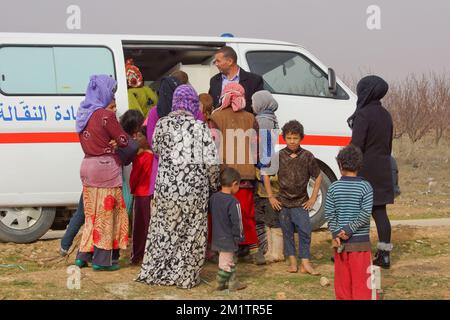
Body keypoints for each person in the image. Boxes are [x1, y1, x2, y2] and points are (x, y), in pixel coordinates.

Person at [137, 85, 219, 289]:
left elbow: (155, 149)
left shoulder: (162, 124)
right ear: (192, 103)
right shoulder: (200, 127)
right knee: (192, 233)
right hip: (194, 190)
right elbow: (211, 162)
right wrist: (214, 183)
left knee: (165, 230)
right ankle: (185, 276)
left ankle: (160, 272)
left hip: (166, 188)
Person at [59, 109, 141, 257]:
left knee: (83, 212)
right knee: (105, 219)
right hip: (108, 181)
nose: (114, 108)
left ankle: (65, 245)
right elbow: (129, 156)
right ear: (136, 129)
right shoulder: (130, 144)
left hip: (91, 175)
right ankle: (99, 255)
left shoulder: (107, 130)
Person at [74, 74, 129, 271]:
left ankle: (83, 256)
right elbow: (123, 140)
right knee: (106, 215)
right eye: (112, 91)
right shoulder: (106, 115)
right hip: (105, 168)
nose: (113, 95)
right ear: (105, 92)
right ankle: (101, 261)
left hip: (87, 165)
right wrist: (117, 142)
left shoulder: (83, 112)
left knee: (92, 215)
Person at [348, 75, 394, 269]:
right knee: (380, 212)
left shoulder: (364, 114)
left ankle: (351, 253)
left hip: (364, 169)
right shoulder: (386, 115)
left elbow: (356, 146)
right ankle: (384, 256)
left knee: (355, 212)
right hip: (383, 168)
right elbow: (388, 145)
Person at [211, 82, 259, 262]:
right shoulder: (250, 118)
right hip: (245, 176)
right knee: (246, 213)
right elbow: (256, 148)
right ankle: (253, 249)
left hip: (225, 175)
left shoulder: (216, 117)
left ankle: (223, 251)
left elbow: (212, 147)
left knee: (223, 215)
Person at [267, 120, 322, 275]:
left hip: (301, 203)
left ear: (301, 138)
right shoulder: (279, 156)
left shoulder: (307, 156)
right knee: (287, 233)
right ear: (284, 138)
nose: (292, 141)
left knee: (305, 231)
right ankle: (292, 262)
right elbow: (266, 174)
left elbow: (318, 177)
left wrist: (312, 199)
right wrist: (271, 196)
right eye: (289, 138)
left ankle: (305, 262)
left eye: (295, 138)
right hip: (283, 204)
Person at [325, 145, 375, 300]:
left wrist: (337, 234)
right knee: (362, 286)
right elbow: (365, 214)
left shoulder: (333, 188)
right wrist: (349, 230)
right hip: (360, 245)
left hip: (340, 245)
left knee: (342, 286)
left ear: (340, 166)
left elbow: (329, 214)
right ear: (359, 165)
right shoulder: (366, 187)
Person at [252, 90, 284, 263]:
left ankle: (275, 252)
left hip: (265, 171)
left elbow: (264, 149)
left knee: (269, 211)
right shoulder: (271, 118)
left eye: (254, 101)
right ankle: (273, 250)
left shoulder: (262, 121)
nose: (252, 105)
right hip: (270, 168)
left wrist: (261, 167)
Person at [209, 167, 247, 291]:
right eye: (239, 185)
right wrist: (239, 236)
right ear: (234, 184)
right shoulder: (233, 202)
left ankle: (233, 282)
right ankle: (219, 283)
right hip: (228, 238)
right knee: (226, 263)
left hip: (217, 237)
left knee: (228, 260)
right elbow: (238, 222)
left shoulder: (214, 198)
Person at [209, 46, 264, 113]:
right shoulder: (214, 81)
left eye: (218, 61)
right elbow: (210, 104)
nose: (216, 64)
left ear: (230, 61)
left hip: (244, 122)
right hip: (220, 122)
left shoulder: (254, 80)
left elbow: (260, 106)